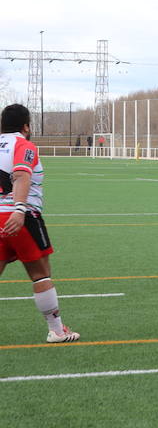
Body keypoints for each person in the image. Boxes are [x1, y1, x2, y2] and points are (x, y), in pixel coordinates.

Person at [0, 104, 79, 343]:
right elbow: (22, 175)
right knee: (41, 275)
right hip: (20, 218)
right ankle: (56, 330)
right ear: (26, 126)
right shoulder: (23, 145)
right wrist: (20, 209)